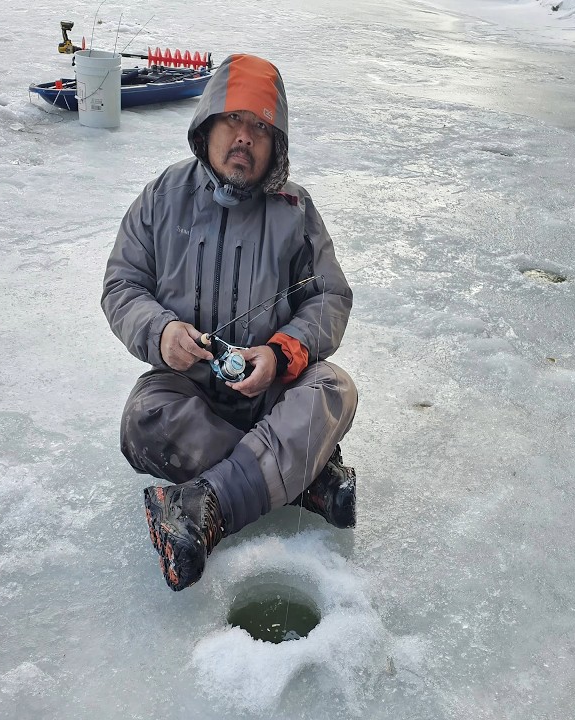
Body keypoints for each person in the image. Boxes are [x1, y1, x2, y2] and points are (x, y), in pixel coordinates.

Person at [101, 54, 358, 592]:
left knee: (333, 389)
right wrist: (161, 332)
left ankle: (207, 504)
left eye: (261, 127)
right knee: (143, 419)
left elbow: (330, 298)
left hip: (274, 391)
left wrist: (284, 350)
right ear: (208, 125)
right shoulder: (162, 198)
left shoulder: (295, 211)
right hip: (190, 390)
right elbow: (123, 285)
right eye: (234, 119)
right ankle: (297, 475)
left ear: (276, 143)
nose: (245, 137)